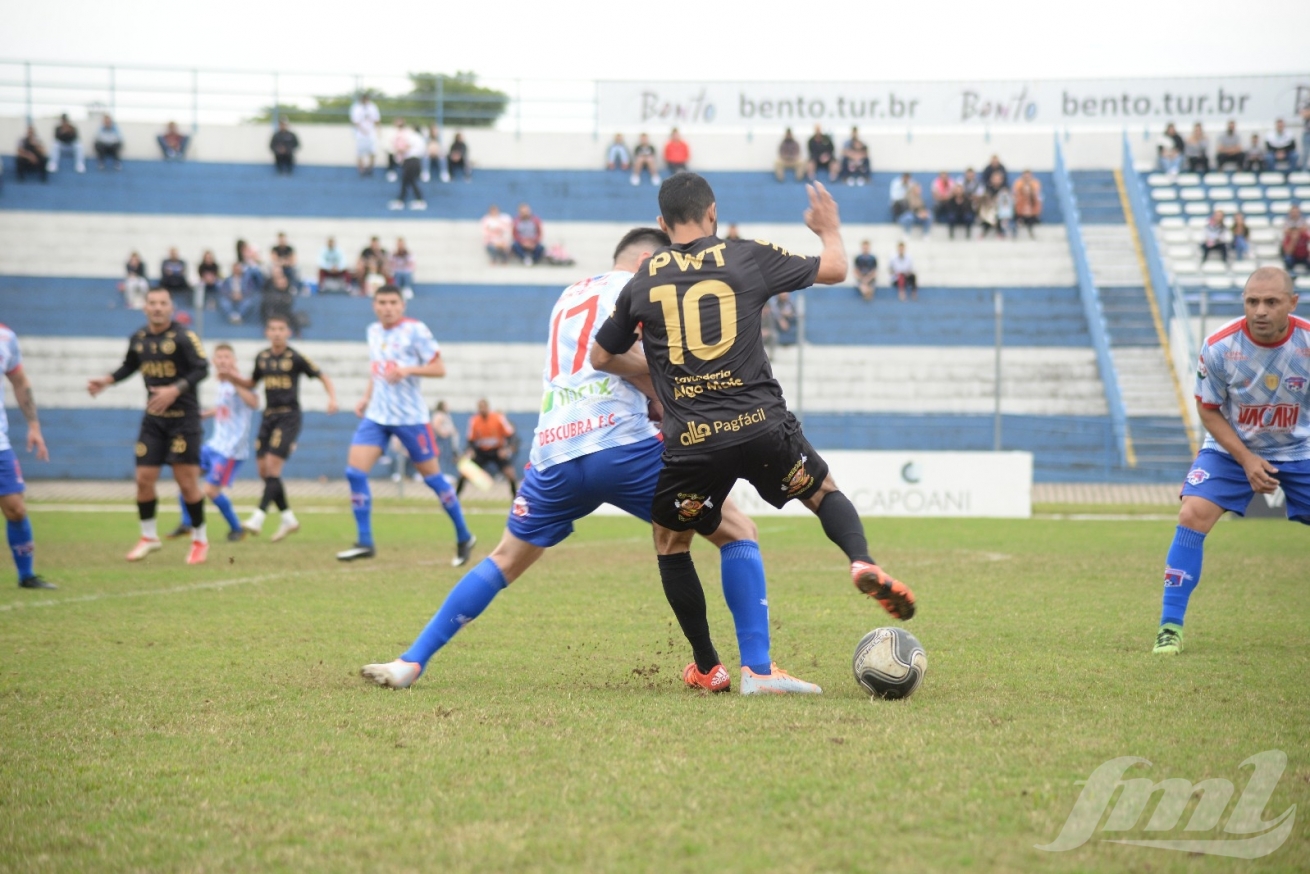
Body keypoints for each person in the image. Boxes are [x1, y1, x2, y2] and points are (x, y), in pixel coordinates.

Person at [362, 228, 820, 694]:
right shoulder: (644, 289)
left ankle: (410, 661)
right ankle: (757, 671)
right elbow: (638, 358)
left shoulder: (569, 295)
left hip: (555, 452)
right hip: (624, 446)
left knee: (503, 560)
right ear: (646, 259)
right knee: (737, 533)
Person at [589, 174, 917, 686]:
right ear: (712, 213)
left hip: (695, 442)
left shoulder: (643, 281)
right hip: (762, 424)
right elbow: (834, 268)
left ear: (661, 224)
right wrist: (829, 228)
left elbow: (600, 355)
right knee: (823, 492)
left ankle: (707, 666)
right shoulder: (747, 255)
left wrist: (660, 369)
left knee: (671, 543)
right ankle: (860, 561)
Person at [1151, 267, 1308, 655]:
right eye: (1252, 301)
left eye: (1271, 302)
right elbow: (1208, 409)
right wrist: (1246, 458)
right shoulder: (1220, 346)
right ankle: (1170, 627)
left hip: (1301, 450)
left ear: (1292, 302)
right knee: (1192, 514)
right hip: (1230, 449)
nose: (1260, 310)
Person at [338, 286, 476, 565]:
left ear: (402, 305)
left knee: (434, 480)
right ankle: (365, 541)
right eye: (382, 302)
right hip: (377, 417)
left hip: (410, 419)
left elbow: (440, 368)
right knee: (354, 473)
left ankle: (464, 536)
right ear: (374, 305)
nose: (387, 307)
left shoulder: (416, 330)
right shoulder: (373, 331)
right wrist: (366, 397)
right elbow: (377, 369)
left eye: (392, 302)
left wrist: (408, 369)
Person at [86, 288, 210, 564]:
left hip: (184, 419)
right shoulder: (139, 338)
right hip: (154, 420)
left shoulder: (184, 336)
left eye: (162, 303)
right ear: (145, 307)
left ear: (171, 307)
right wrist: (106, 381)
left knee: (186, 482)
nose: (157, 308)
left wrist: (174, 390)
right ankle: (148, 537)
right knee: (143, 480)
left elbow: (202, 368)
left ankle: (200, 539)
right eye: (152, 303)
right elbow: (129, 365)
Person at [233, 316, 338, 542]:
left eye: (281, 329)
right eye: (273, 329)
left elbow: (322, 376)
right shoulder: (262, 358)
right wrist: (232, 377)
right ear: (267, 333)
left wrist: (332, 398)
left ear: (288, 332)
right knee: (264, 471)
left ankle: (258, 517)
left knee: (272, 466)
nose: (277, 333)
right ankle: (288, 518)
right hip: (268, 416)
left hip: (289, 416)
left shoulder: (295, 357)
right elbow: (252, 383)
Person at [168, 344, 258, 543]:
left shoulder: (240, 382)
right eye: (219, 357)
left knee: (210, 490)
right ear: (214, 362)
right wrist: (206, 414)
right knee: (186, 478)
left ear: (234, 361)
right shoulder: (221, 384)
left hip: (231, 450)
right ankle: (187, 523)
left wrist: (236, 382)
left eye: (227, 357)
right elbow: (224, 408)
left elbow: (253, 403)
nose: (223, 361)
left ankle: (237, 528)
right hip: (214, 445)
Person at [0, 326, 53, 589]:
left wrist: (34, 426)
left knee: (16, 508)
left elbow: (19, 381)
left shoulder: (6, 338)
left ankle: (26, 575)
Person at [457, 399, 519, 498]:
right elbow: (471, 440)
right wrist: (470, 450)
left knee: (510, 474)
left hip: (497, 451)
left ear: (488, 407)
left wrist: (506, 449)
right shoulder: (474, 420)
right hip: (481, 451)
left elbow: (511, 436)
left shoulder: (498, 418)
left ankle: (516, 499)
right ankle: (455, 498)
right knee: (463, 473)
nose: (482, 410)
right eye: (480, 408)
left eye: (484, 407)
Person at [387, 120, 427, 211]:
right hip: (417, 161)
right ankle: (401, 200)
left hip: (411, 161)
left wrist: (397, 150)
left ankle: (419, 200)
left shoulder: (413, 137)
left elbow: (406, 147)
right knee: (407, 181)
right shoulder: (421, 139)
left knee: (410, 181)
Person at [349, 94, 380, 176]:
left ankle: (370, 169)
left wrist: (378, 130)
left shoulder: (372, 107)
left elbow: (376, 119)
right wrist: (363, 130)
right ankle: (361, 170)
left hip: (371, 133)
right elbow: (355, 121)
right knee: (359, 153)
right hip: (360, 134)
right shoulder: (356, 108)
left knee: (373, 152)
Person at [430, 401, 460, 479]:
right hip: (442, 439)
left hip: (447, 439)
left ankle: (447, 473)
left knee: (448, 456)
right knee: (443, 456)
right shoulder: (439, 415)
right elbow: (435, 426)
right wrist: (443, 433)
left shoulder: (446, 415)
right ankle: (442, 474)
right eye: (446, 406)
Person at [1013, 170, 1042, 238]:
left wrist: (1031, 212)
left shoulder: (1034, 198)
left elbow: (1037, 209)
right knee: (1019, 219)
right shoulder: (1020, 197)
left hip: (1031, 215)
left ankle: (1031, 232)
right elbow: (1017, 208)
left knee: (1031, 220)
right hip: (1021, 214)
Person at [1282, 206, 1310, 272]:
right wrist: (1294, 240)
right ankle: (1291, 277)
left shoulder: (1305, 235)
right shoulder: (1288, 235)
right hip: (1293, 255)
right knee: (1288, 259)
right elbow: (1288, 252)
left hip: (1304, 255)